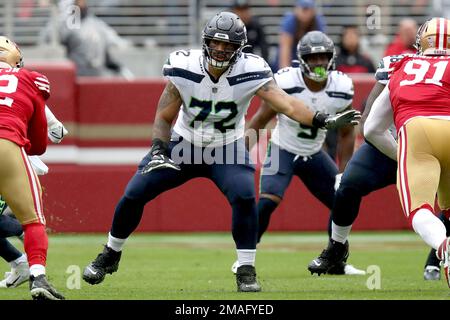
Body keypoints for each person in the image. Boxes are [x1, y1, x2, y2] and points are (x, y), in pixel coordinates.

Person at [81, 11, 360, 293]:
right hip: (184, 144)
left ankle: (246, 269)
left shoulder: (251, 70)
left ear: (240, 49)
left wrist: (320, 119)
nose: (221, 50)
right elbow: (165, 116)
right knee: (135, 192)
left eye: (228, 46)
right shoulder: (184, 65)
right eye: (216, 43)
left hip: (226, 147)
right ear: (205, 42)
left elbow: (286, 104)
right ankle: (111, 253)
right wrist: (158, 148)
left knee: (244, 195)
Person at [307, 18, 450, 285]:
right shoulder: (398, 64)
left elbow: (370, 122)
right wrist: (401, 153)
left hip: (411, 140)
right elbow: (370, 112)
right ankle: (336, 248)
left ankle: (435, 258)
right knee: (348, 185)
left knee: (435, 203)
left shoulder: (403, 64)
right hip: (392, 144)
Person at [241, 31, 363, 275]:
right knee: (267, 203)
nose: (319, 62)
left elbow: (347, 134)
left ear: (332, 57)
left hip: (314, 153)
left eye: (323, 56)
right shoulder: (286, 82)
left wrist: (343, 172)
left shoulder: (341, 87)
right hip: (282, 149)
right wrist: (238, 153)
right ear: (301, 59)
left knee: (342, 201)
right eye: (313, 57)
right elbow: (260, 118)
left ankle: (336, 261)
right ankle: (245, 258)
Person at [364, 17, 450, 287]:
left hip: (417, 132)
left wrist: (402, 153)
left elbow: (371, 129)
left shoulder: (402, 65)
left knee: (420, 210)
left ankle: (443, 247)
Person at [0, 35, 64, 299]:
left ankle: (19, 264)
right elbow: (38, 144)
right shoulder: (29, 79)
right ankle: (37, 277)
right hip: (7, 145)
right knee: (33, 221)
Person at [0, 109, 67, 289]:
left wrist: (53, 123)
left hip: (9, 153)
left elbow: (29, 89)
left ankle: (24, 231)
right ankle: (20, 260)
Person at [40, 0, 132, 77]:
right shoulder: (68, 24)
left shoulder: (97, 24)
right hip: (77, 77)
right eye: (79, 2)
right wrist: (59, 16)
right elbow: (48, 38)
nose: (81, 4)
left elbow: (113, 45)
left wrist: (119, 68)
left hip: (97, 77)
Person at [273, 0, 326, 72]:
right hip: (291, 60)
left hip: (307, 61)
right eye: (303, 9)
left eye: (308, 9)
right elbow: (285, 49)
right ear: (296, 9)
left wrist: (319, 72)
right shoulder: (290, 20)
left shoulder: (318, 22)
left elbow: (320, 50)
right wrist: (285, 72)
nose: (306, 13)